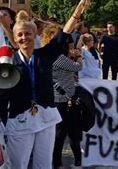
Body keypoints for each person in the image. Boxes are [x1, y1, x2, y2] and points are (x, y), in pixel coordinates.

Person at [0, 0, 90, 168]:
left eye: (28, 33)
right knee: (18, 164)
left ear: (34, 35)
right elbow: (1, 97)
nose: (24, 37)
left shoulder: (44, 55)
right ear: (14, 39)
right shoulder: (9, 63)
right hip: (20, 119)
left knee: (44, 163)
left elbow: (63, 35)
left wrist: (78, 11)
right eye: (20, 35)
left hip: (46, 117)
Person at [40, 24, 84, 169]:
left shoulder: (46, 55)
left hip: (58, 97)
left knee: (61, 133)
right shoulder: (57, 57)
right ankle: (56, 163)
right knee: (60, 134)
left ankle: (57, 162)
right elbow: (77, 67)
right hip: (61, 99)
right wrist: (78, 56)